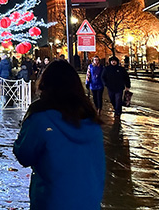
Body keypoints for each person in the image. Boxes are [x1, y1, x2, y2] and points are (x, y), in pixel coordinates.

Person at [13, 60, 105, 210]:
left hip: (52, 201)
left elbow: (24, 155)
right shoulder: (92, 121)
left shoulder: (41, 118)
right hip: (89, 202)